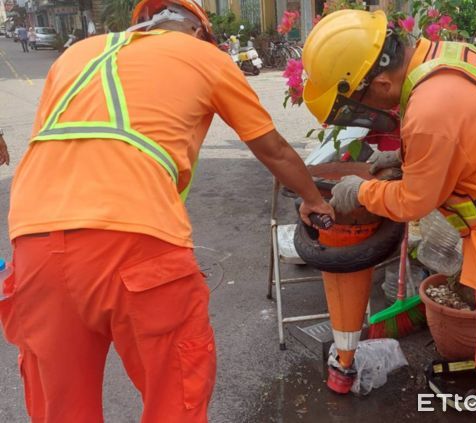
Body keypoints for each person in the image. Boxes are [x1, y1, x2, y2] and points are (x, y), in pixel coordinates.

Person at [0, 0, 333, 421]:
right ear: (199, 32)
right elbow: (275, 150)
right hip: (138, 241)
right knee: (176, 397)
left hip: (36, 243)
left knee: (61, 407)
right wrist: (314, 200)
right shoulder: (205, 57)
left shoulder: (75, 55)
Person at [301, 10, 476, 423]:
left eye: (359, 101)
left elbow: (413, 201)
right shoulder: (448, 56)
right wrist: (402, 157)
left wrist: (360, 189)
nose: (364, 112)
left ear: (381, 82)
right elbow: (470, 139)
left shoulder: (430, 110)